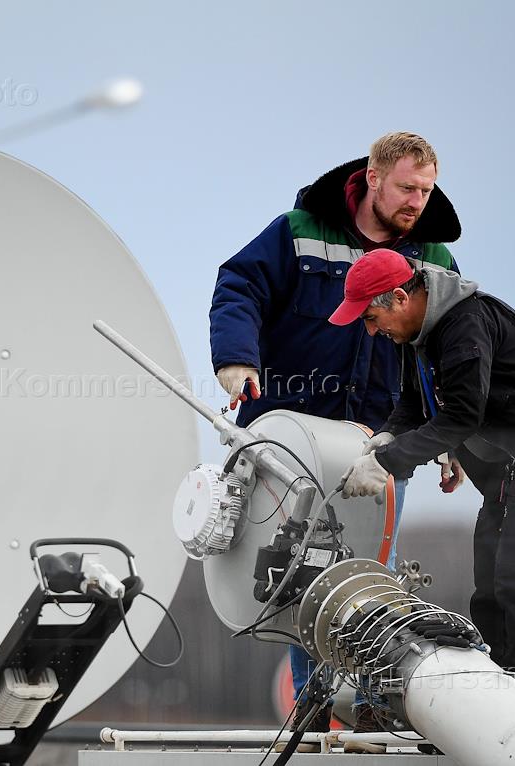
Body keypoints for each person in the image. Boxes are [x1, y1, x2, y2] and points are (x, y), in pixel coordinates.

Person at [209, 132, 461, 744]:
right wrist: (237, 358)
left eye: (426, 191)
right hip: (292, 442)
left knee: (373, 571)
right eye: (406, 188)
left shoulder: (431, 256)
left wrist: (449, 437)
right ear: (372, 179)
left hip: (380, 441)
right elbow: (240, 286)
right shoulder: (299, 233)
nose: (417, 202)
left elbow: (445, 346)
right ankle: (312, 714)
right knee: (305, 577)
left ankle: (373, 713)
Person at [330, 249, 515, 702]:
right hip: (506, 461)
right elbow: (414, 403)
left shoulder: (463, 324)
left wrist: (388, 463)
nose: (371, 330)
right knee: (489, 587)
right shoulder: (416, 332)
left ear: (400, 298)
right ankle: (494, 696)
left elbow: (462, 415)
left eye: (371, 318)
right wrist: (388, 436)